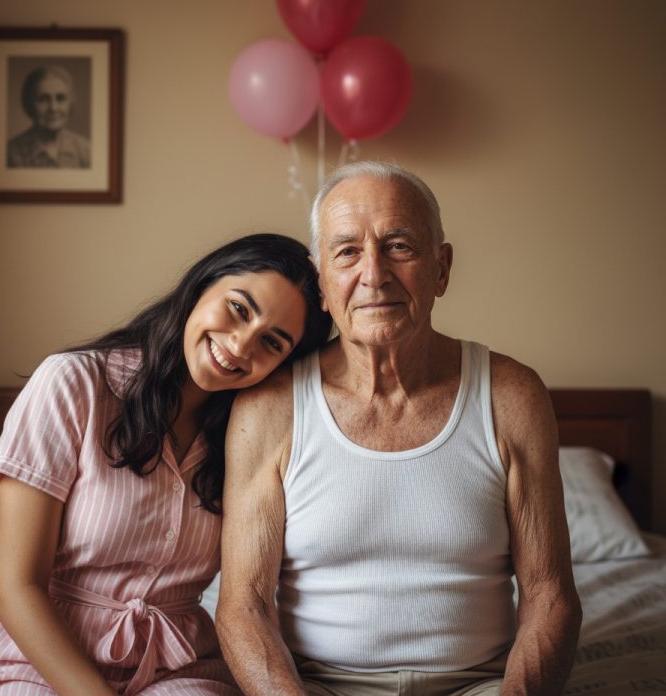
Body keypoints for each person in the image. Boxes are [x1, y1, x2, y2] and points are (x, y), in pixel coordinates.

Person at [216, 162, 582, 696]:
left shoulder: (511, 395)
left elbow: (550, 596)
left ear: (442, 268)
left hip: (480, 686)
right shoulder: (270, 408)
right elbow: (243, 606)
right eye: (347, 252)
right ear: (321, 285)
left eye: (399, 246)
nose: (374, 274)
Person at [0, 233, 332, 696]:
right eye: (239, 309)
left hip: (174, 666)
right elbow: (17, 587)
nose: (242, 345)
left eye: (272, 342)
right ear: (202, 286)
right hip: (33, 662)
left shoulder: (254, 433)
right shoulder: (74, 384)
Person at [7, 64, 91, 168]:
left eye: (60, 99)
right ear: (28, 104)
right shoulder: (10, 154)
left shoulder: (86, 150)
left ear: (71, 103)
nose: (53, 108)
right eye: (43, 99)